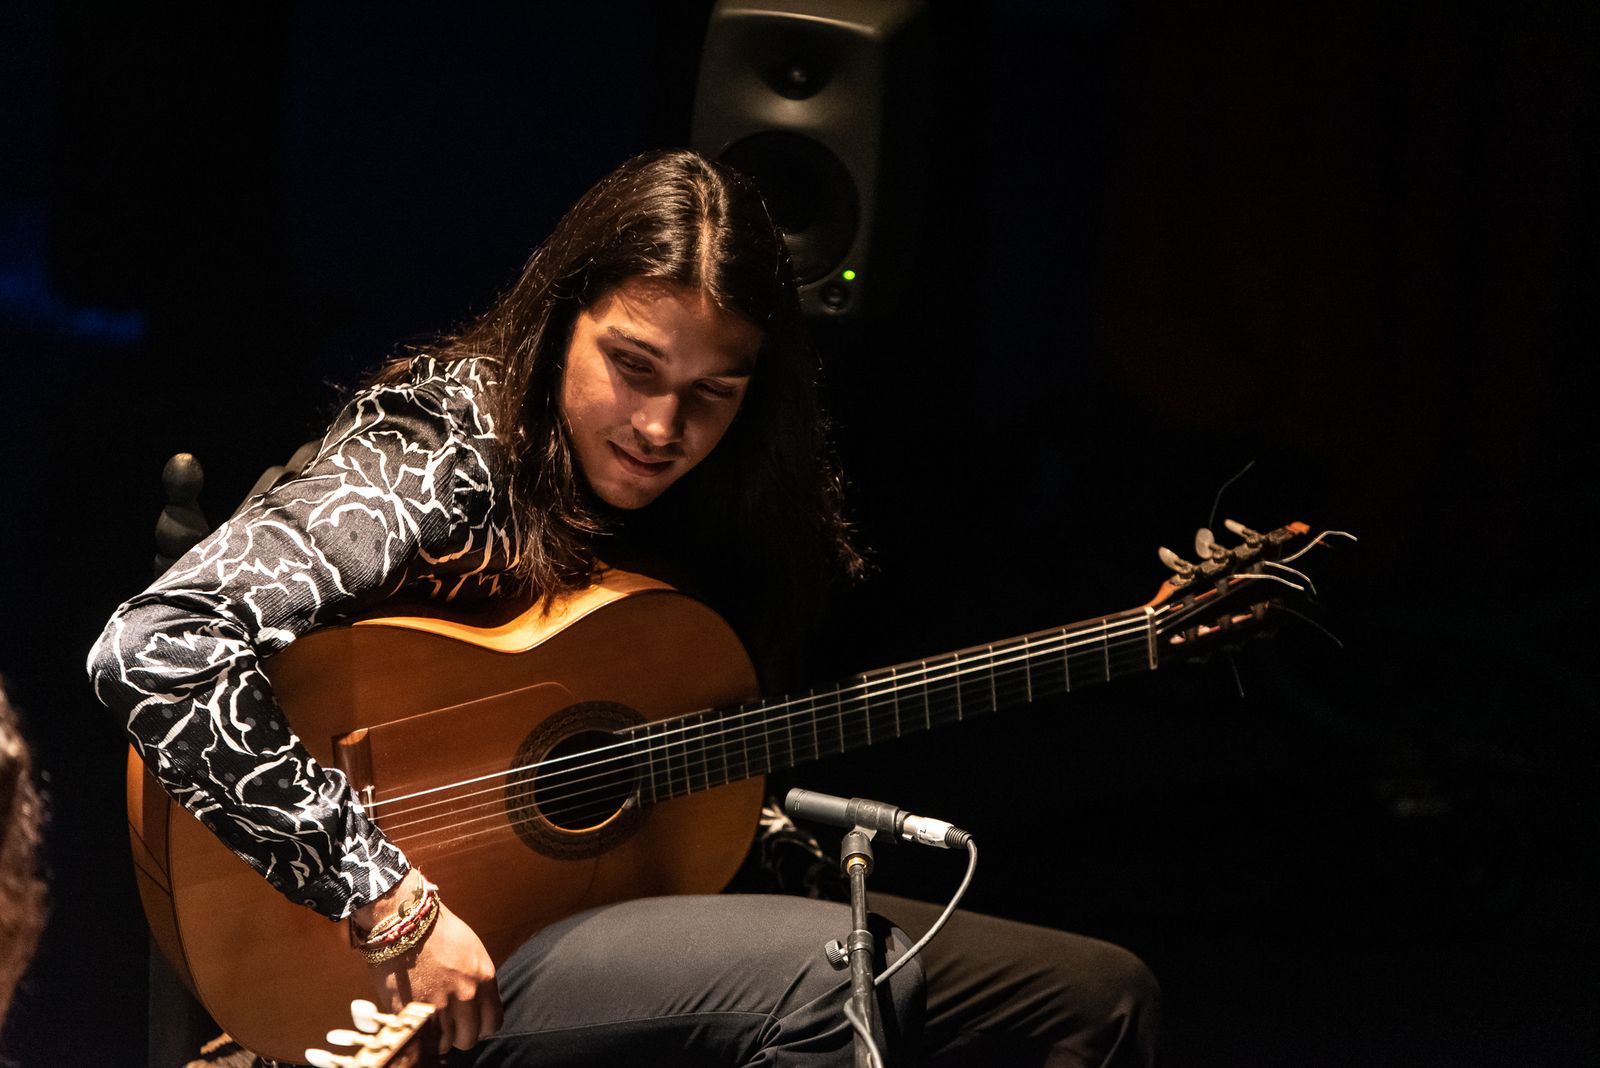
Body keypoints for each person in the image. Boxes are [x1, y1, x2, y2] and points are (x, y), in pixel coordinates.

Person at [89, 150, 1159, 1066]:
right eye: (632, 366)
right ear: (563, 322)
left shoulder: (724, 501)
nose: (660, 426)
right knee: (827, 982)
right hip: (406, 954)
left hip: (593, 910)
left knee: (1094, 996)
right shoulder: (436, 451)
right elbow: (155, 646)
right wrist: (389, 899)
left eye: (711, 393)